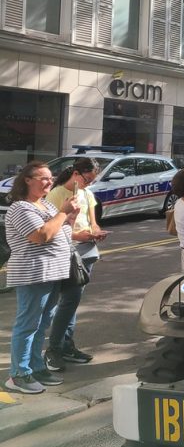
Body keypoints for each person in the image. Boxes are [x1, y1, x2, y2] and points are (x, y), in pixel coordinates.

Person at [4, 161, 80, 394]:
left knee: (41, 324)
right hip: (34, 274)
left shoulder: (45, 205)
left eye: (51, 177)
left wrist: (71, 218)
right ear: (27, 180)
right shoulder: (20, 208)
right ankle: (18, 374)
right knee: (28, 324)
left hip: (53, 273)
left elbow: (62, 233)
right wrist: (63, 212)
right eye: (44, 178)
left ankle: (36, 367)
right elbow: (42, 235)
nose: (49, 181)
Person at [44, 158, 107, 371]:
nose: (89, 184)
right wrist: (80, 235)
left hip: (87, 252)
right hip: (68, 252)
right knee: (68, 301)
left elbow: (93, 221)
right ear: (76, 174)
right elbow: (53, 229)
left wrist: (95, 232)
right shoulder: (57, 194)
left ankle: (65, 345)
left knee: (73, 301)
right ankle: (54, 348)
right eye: (87, 179)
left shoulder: (87, 194)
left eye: (92, 181)